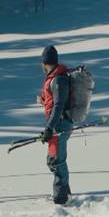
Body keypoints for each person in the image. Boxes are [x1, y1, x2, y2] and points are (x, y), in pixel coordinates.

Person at [37, 45, 72, 205]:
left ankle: (61, 198)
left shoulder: (58, 78)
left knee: (57, 160)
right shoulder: (54, 77)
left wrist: (49, 127)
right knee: (53, 160)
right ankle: (65, 192)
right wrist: (44, 100)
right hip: (55, 124)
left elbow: (59, 105)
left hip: (59, 124)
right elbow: (54, 103)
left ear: (45, 62)